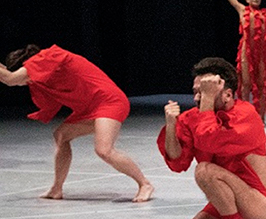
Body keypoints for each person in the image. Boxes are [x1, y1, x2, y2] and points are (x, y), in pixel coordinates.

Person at [1, 44, 154, 202]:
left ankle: (145, 184)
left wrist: (8, 75)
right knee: (61, 135)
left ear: (26, 66)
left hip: (108, 101)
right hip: (88, 108)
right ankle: (57, 188)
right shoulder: (41, 76)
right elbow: (11, 79)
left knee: (104, 150)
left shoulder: (47, 57)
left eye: (23, 77)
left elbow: (10, 79)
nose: (24, 83)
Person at [159, 57, 266, 219]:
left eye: (205, 91)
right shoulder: (196, 117)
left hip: (256, 205)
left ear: (228, 94)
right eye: (197, 91)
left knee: (204, 170)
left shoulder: (245, 115)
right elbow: (177, 162)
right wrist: (170, 125)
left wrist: (207, 102)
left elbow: (208, 140)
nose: (198, 98)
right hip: (223, 202)